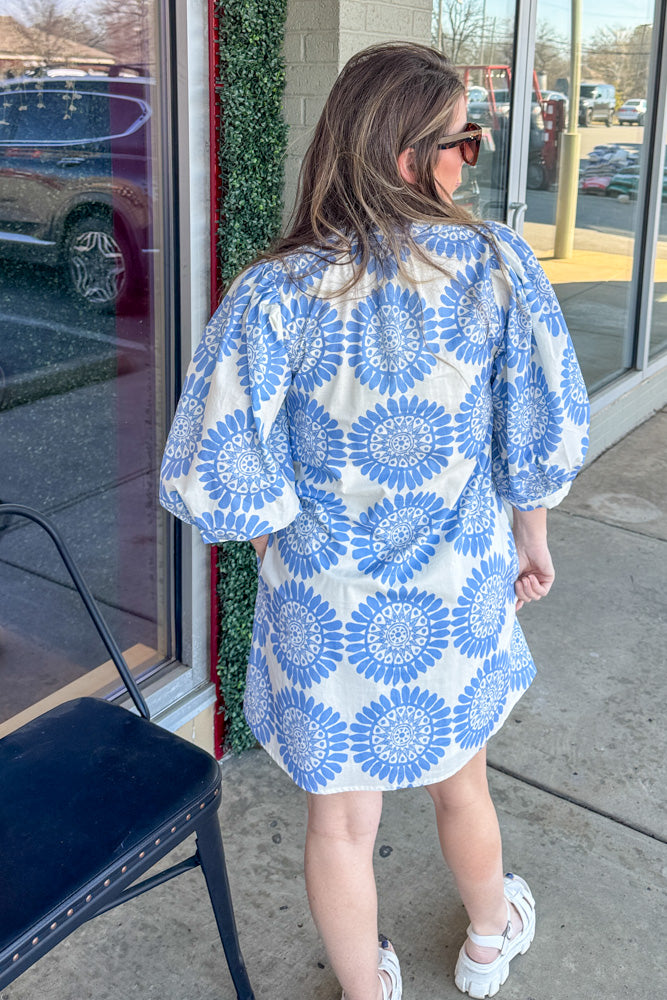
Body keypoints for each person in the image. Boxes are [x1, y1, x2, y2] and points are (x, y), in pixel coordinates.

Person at [160, 42, 590, 1000]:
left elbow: (215, 461)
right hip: (454, 586)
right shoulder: (493, 267)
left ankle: (367, 991)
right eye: (462, 144)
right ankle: (489, 938)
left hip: (329, 604)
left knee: (340, 826)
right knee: (461, 783)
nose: (465, 162)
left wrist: (279, 535)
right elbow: (541, 423)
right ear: (408, 158)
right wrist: (533, 540)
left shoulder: (277, 291)